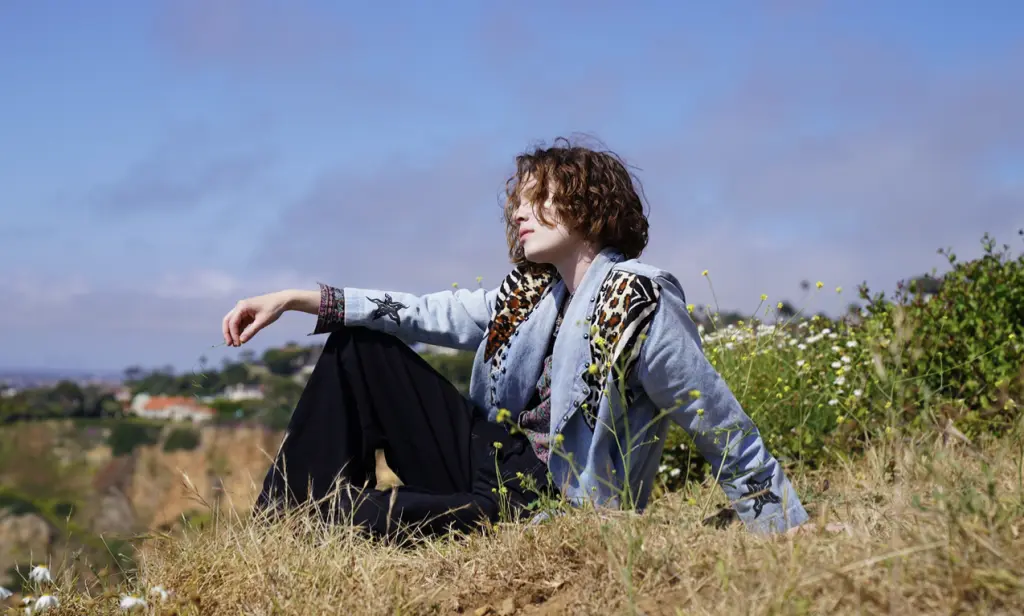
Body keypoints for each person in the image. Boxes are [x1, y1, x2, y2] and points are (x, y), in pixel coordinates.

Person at [222, 137, 811, 542]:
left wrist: (784, 522)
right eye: (518, 203)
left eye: (537, 198)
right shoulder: (532, 294)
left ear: (586, 203)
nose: (519, 214)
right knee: (359, 348)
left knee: (349, 520)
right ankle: (281, 524)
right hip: (486, 456)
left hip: (544, 501)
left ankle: (308, 525)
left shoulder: (638, 301)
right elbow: (428, 312)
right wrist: (296, 298)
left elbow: (712, 415)